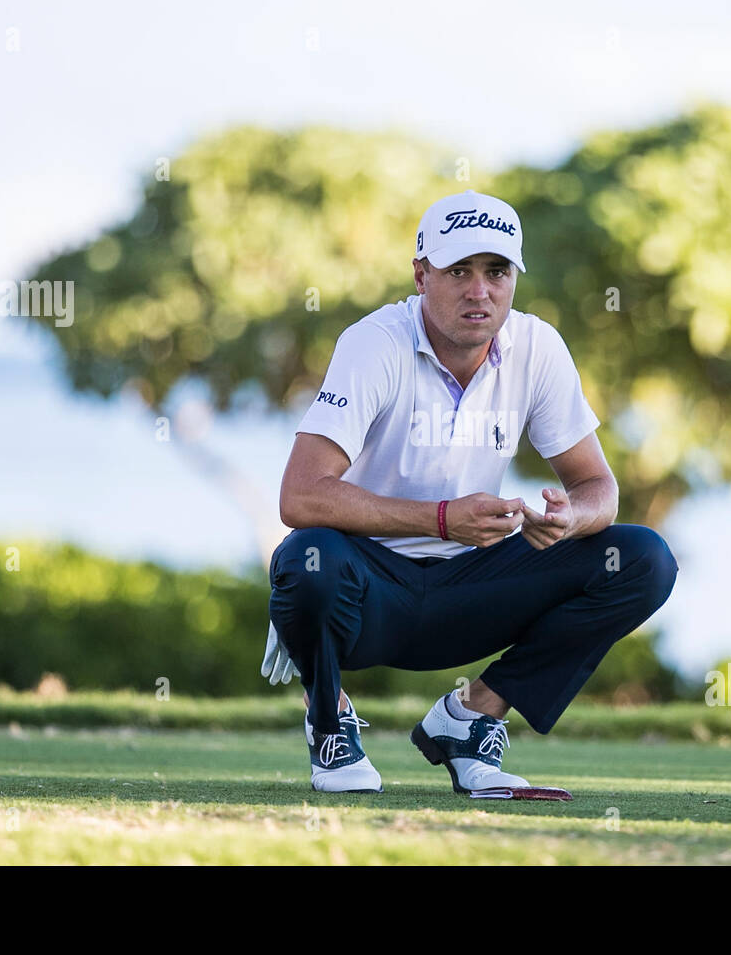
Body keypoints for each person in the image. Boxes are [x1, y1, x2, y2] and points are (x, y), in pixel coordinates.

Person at [264, 189, 678, 798]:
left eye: (496, 272)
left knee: (642, 559)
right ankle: (329, 720)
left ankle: (471, 718)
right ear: (421, 274)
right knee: (308, 559)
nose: (478, 291)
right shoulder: (373, 343)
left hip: (476, 588)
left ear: (513, 280)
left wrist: (571, 517)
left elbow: (599, 489)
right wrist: (438, 519)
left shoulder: (538, 348)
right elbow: (299, 497)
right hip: (370, 596)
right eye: (458, 270)